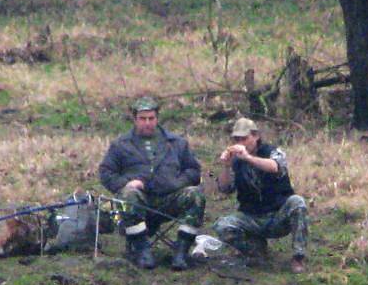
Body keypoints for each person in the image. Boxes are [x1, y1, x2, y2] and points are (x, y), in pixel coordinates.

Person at [99, 97, 205, 270]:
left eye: (151, 118)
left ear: (157, 118)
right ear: (134, 120)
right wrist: (127, 183)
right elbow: (106, 173)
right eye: (142, 119)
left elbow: (193, 170)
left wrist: (177, 183)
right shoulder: (120, 145)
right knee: (128, 195)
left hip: (170, 199)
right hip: (139, 202)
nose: (147, 123)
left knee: (196, 195)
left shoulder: (177, 143)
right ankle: (142, 250)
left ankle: (181, 251)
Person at [214, 117, 308, 273]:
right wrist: (226, 167)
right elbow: (225, 188)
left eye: (244, 138)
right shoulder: (236, 161)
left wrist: (249, 158)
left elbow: (275, 167)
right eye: (237, 139)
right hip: (252, 216)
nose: (241, 143)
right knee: (222, 225)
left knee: (297, 202)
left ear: (255, 136)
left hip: (278, 214)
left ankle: (298, 256)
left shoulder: (272, 152)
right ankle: (254, 250)